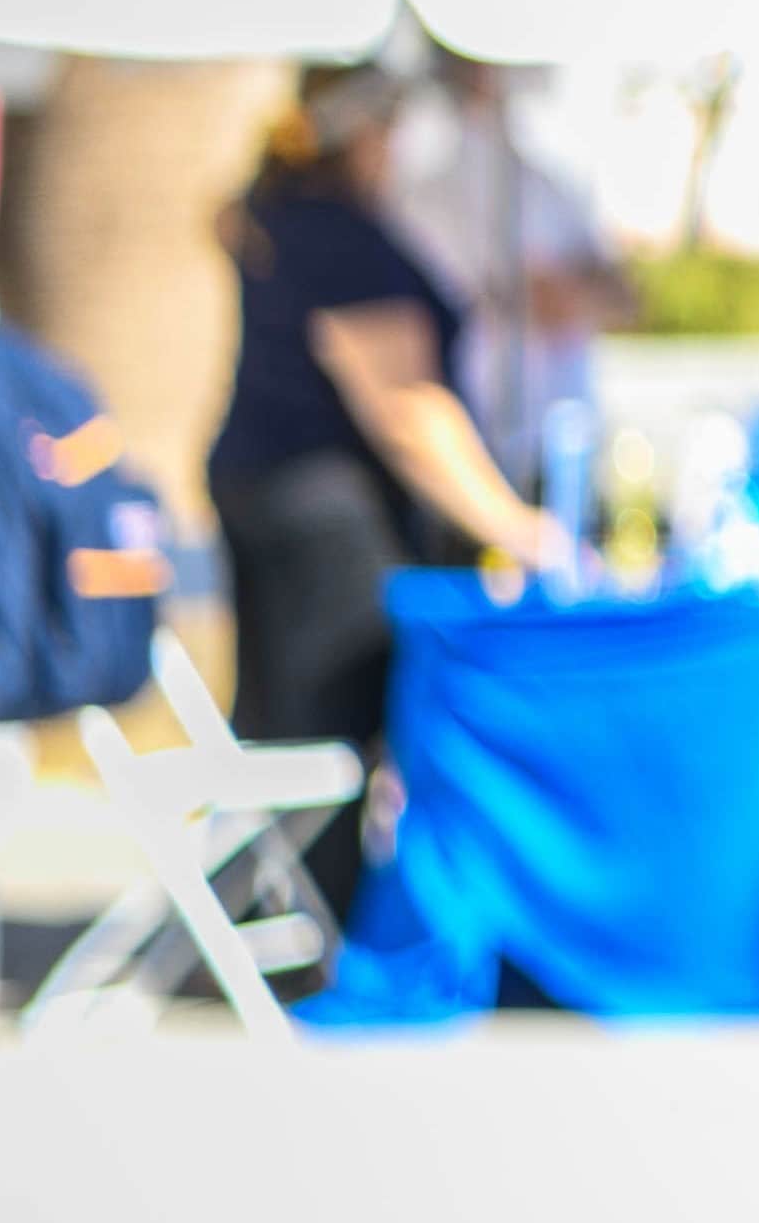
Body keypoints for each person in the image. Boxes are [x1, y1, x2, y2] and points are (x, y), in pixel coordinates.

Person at [209, 74, 585, 765]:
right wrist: (515, 527)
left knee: (285, 750)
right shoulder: (335, 229)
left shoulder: (287, 217)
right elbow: (407, 407)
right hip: (327, 521)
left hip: (280, 502)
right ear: (362, 133)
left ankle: (294, 877)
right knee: (331, 753)